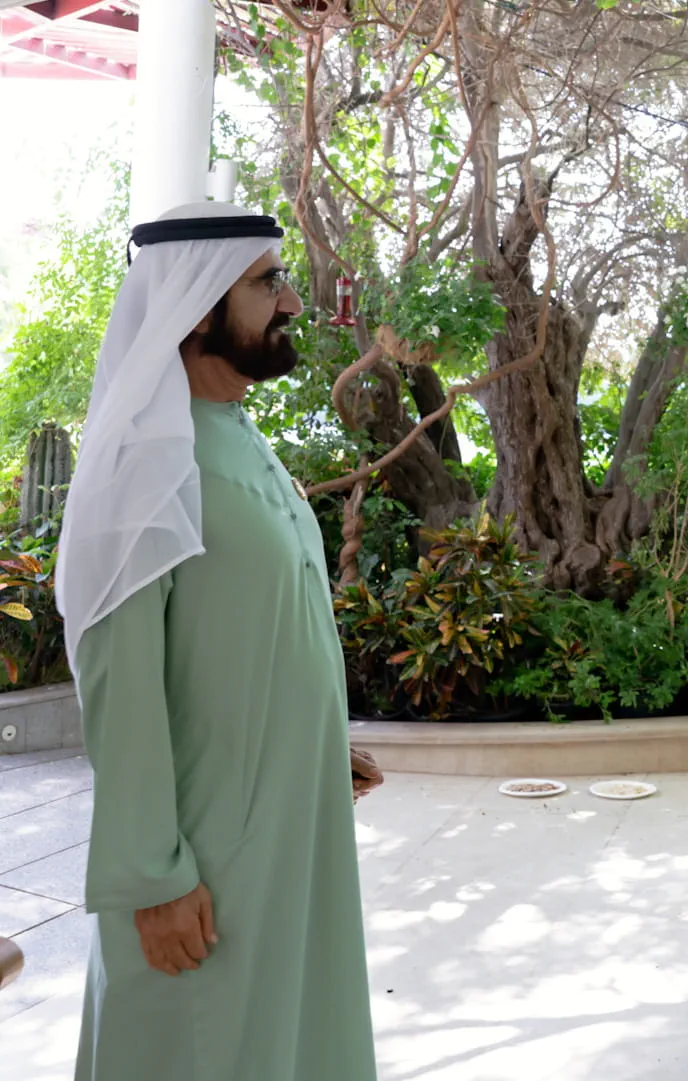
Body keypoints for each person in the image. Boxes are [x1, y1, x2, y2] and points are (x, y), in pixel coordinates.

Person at [57, 203, 379, 1081]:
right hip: (203, 870)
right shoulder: (145, 461)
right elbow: (121, 678)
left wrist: (317, 746)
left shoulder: (235, 435)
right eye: (268, 283)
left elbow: (245, 632)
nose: (292, 303)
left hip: (283, 836)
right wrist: (151, 876)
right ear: (199, 303)